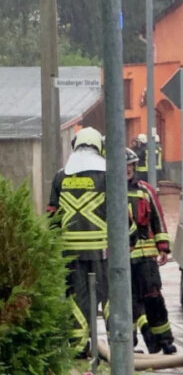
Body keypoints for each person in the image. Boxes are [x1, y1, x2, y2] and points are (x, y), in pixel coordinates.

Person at [46, 127, 110, 355]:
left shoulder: (61, 176)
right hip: (102, 251)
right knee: (110, 296)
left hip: (70, 252)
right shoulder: (108, 176)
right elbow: (121, 215)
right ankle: (119, 344)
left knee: (75, 297)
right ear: (99, 147)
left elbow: (52, 215)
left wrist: (53, 247)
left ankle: (79, 347)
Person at [126, 148, 177, 354]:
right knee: (127, 301)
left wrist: (163, 247)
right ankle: (128, 345)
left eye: (130, 165)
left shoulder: (145, 190)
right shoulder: (108, 191)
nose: (128, 169)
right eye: (124, 166)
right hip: (123, 258)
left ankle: (164, 341)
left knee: (154, 298)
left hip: (146, 257)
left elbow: (158, 218)